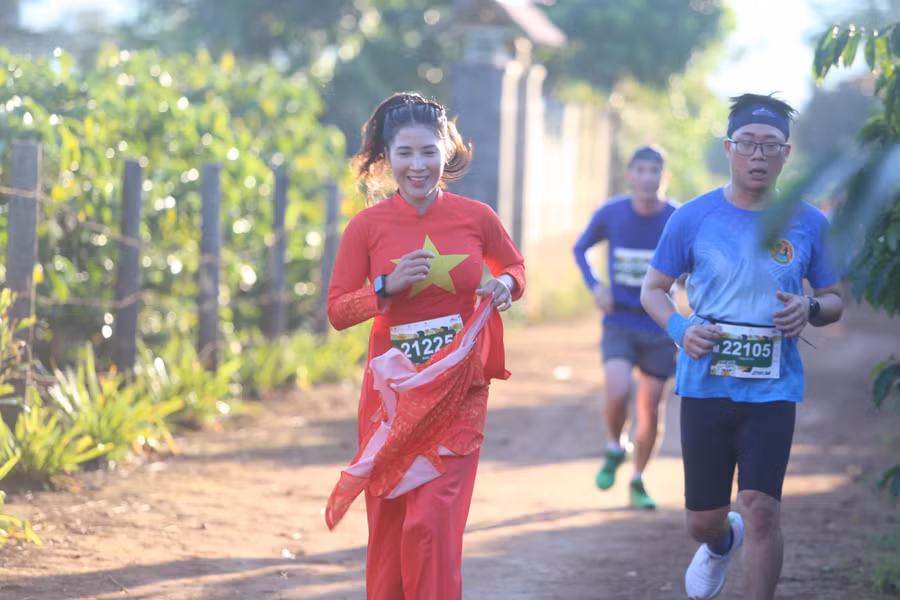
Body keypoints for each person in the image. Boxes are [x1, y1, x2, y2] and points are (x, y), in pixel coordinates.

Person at [640, 93, 844, 600]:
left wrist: (810, 310)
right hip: (706, 382)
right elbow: (653, 289)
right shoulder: (692, 217)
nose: (758, 155)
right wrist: (680, 330)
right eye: (748, 143)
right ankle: (718, 543)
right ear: (729, 148)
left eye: (770, 146)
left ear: (786, 153)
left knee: (761, 507)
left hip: (774, 387)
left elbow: (835, 298)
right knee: (703, 520)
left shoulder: (809, 222)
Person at [324, 92, 526, 600]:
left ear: (448, 151)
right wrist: (384, 290)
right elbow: (337, 311)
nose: (418, 165)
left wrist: (506, 287)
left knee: (430, 524)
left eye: (428, 152)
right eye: (405, 154)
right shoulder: (366, 227)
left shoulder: (476, 216)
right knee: (392, 527)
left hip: (458, 392)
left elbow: (515, 268)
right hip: (391, 398)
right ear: (385, 159)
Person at [572, 145, 678, 510]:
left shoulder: (677, 218)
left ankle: (638, 479)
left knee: (650, 409)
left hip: (660, 325)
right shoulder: (612, 213)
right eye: (641, 170)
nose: (648, 177)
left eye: (655, 171)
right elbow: (581, 248)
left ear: (664, 177)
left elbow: (698, 261)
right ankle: (615, 447)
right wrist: (596, 286)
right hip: (619, 319)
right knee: (617, 392)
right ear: (630, 175)